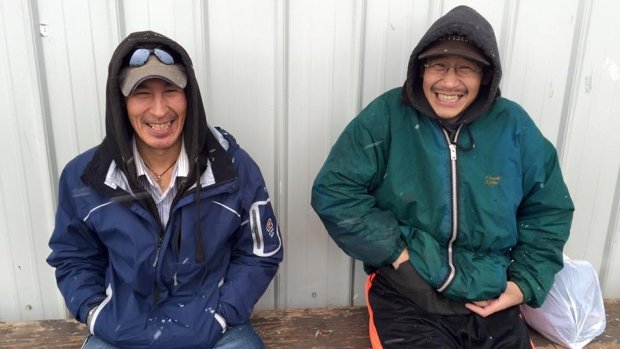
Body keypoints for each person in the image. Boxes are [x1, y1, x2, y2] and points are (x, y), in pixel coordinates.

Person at [311, 5, 573, 348]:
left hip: (489, 296)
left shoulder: (514, 127)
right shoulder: (388, 115)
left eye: (465, 68)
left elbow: (548, 210)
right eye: (438, 66)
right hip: (408, 293)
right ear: (420, 70)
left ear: (486, 76)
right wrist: (397, 255)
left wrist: (522, 285)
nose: (449, 82)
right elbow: (335, 191)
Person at [47, 30, 283, 349]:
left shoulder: (233, 169)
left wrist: (223, 314)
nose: (159, 111)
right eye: (142, 92)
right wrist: (96, 314)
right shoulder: (85, 177)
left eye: (171, 90)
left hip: (215, 330)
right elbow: (73, 256)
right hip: (121, 331)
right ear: (121, 102)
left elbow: (260, 252)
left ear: (189, 96)